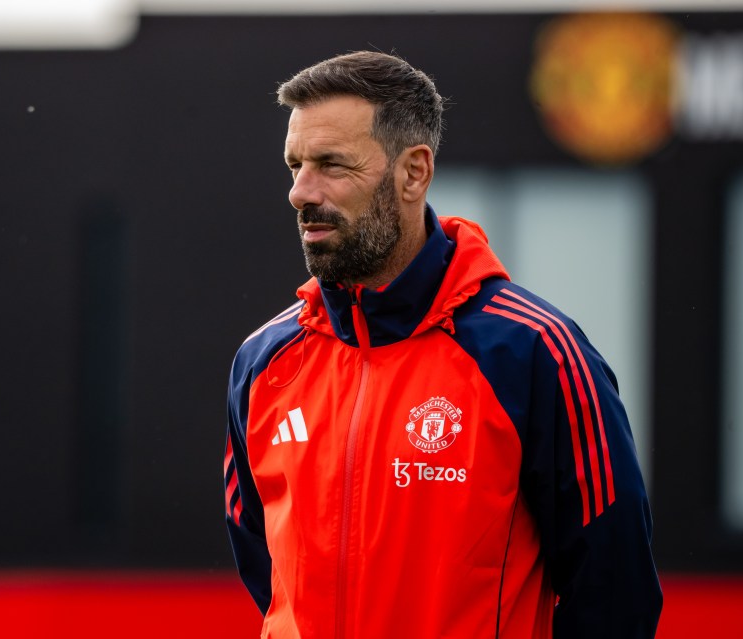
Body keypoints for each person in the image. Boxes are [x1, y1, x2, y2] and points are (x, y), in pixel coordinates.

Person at [225, 51, 662, 638]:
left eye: (331, 164)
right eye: (295, 165)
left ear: (414, 172)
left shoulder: (533, 352)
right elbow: (270, 576)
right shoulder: (265, 362)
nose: (300, 192)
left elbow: (616, 593)